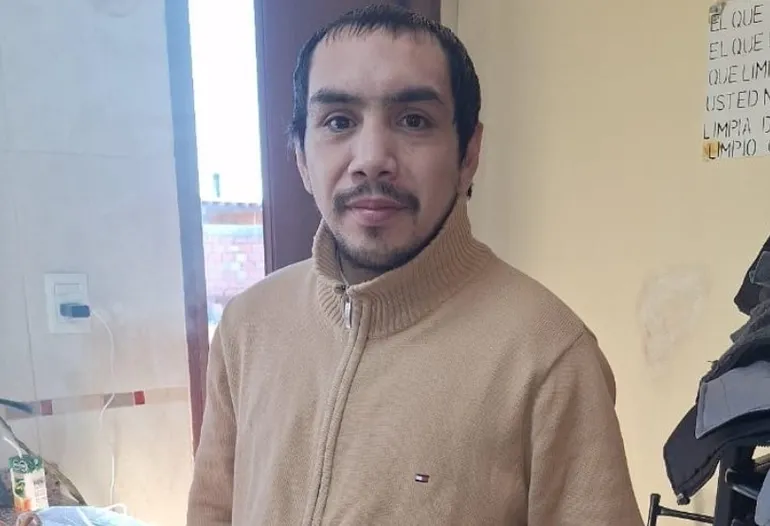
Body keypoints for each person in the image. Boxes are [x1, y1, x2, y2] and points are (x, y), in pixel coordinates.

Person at [186, 4, 645, 525]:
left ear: (468, 154)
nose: (372, 158)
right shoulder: (248, 326)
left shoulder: (548, 356)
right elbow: (211, 510)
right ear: (300, 156)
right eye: (338, 121)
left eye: (413, 121)